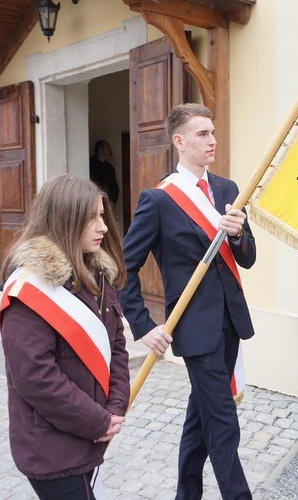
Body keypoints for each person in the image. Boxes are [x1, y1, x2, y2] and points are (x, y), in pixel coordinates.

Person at [121, 103, 256, 499]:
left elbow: (247, 258)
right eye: (202, 134)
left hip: (231, 320)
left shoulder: (230, 190)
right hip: (195, 329)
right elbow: (125, 268)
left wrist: (237, 235)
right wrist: (144, 325)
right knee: (223, 422)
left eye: (213, 132)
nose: (212, 140)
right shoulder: (159, 199)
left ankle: (187, 494)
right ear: (179, 141)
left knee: (200, 419)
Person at [0, 175, 130, 500]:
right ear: (64, 220)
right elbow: (35, 378)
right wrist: (97, 421)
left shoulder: (98, 275)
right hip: (51, 448)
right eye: (92, 218)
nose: (102, 227)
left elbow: (117, 348)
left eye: (102, 216)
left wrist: (114, 408)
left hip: (91, 436)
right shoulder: (29, 290)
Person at [89, 140, 119, 206]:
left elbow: (114, 186)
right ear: (100, 150)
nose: (111, 151)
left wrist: (112, 200)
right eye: (108, 148)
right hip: (94, 202)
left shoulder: (109, 167)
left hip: (107, 203)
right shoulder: (90, 164)